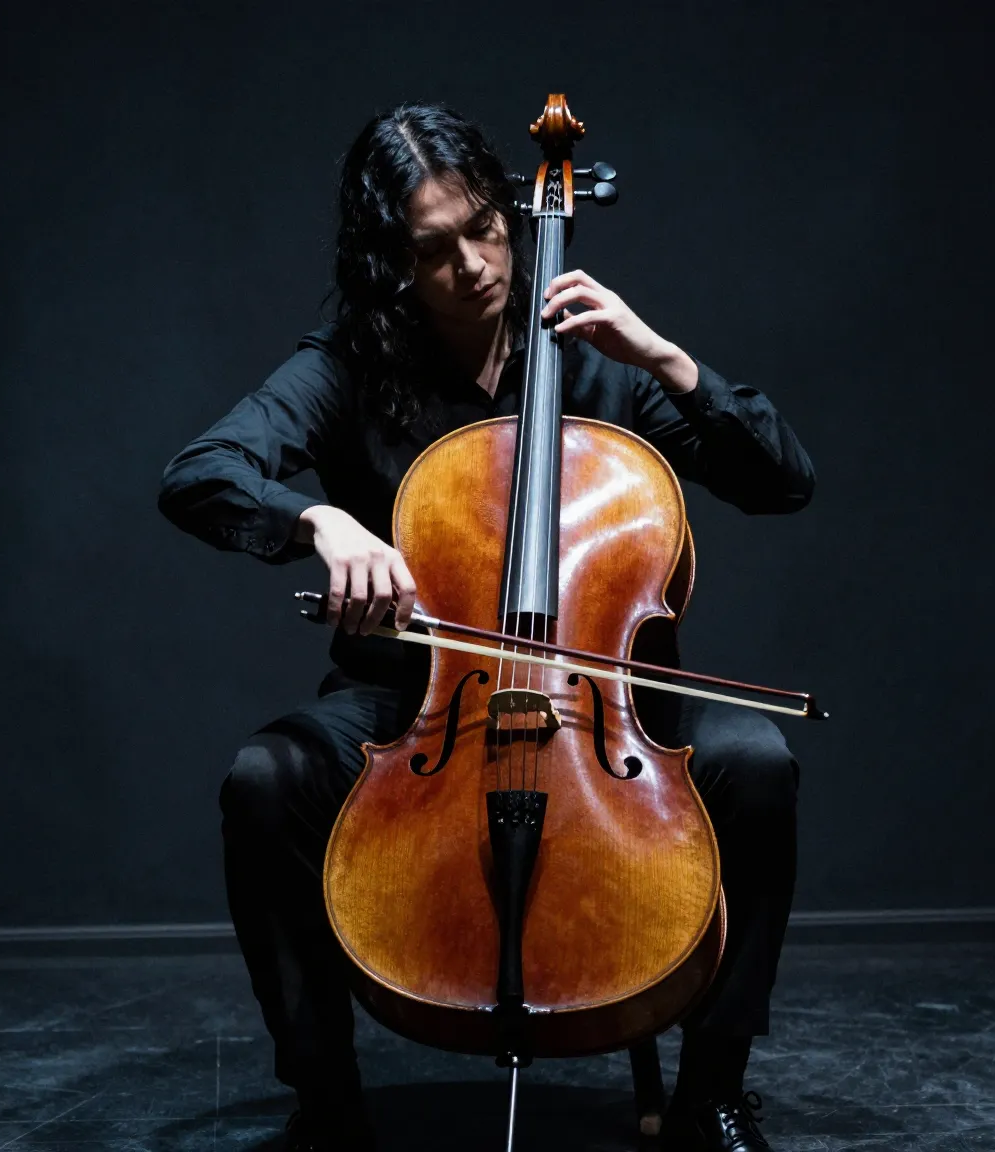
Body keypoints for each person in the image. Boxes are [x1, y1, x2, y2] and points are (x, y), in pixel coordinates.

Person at [158, 103, 814, 1152]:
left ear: (511, 216)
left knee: (759, 763)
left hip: (602, 711)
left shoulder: (596, 361)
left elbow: (782, 482)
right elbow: (199, 473)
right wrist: (320, 523)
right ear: (390, 262)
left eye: (482, 229)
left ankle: (713, 1093)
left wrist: (665, 359)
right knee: (264, 780)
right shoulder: (348, 364)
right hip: (414, 705)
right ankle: (325, 1104)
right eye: (433, 249)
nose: (470, 265)